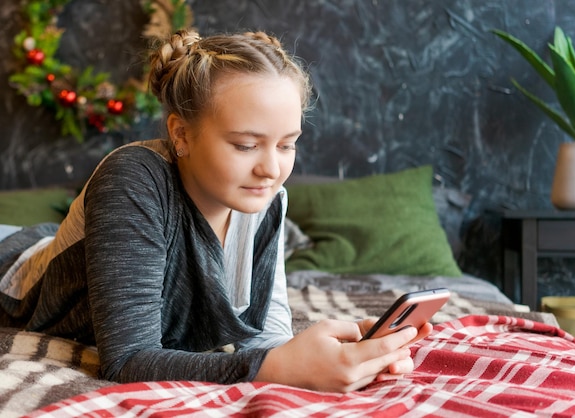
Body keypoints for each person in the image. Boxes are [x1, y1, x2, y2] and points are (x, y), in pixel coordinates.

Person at [0, 29, 431, 392]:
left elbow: (266, 335)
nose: (271, 169)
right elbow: (127, 360)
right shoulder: (133, 177)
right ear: (181, 134)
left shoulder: (267, 197)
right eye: (245, 145)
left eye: (287, 145)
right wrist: (274, 369)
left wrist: (335, 357)